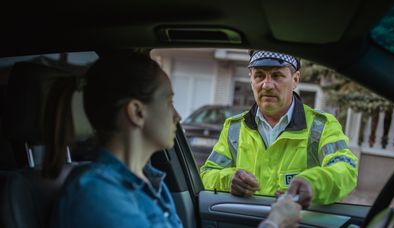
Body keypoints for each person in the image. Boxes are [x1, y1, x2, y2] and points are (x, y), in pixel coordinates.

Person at [43, 52, 301, 227]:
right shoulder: (96, 195)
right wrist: (273, 223)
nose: (177, 116)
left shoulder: (151, 183)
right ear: (136, 112)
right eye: (168, 102)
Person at [200, 50, 359, 208]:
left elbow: (345, 168)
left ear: (295, 79)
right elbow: (207, 174)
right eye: (259, 75)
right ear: (251, 80)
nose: (267, 85)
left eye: (277, 75)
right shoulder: (234, 128)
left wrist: (313, 183)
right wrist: (228, 181)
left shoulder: (321, 126)